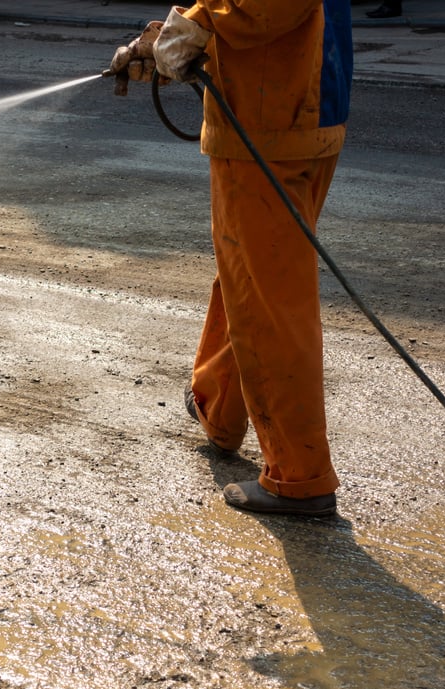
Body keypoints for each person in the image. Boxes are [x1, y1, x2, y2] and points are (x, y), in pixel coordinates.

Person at [108, 1, 353, 517]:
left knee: (268, 301)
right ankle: (216, 405)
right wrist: (175, 33)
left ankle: (299, 477)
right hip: (301, 102)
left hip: (270, 115)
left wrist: (200, 22)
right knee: (252, 276)